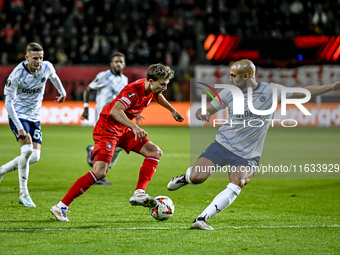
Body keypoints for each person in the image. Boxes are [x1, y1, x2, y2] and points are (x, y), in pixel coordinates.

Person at [167, 59, 340, 230]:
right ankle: (186, 178)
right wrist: (202, 113)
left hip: (248, 155)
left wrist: (331, 87)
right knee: (198, 178)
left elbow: (303, 92)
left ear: (246, 75)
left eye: (234, 76)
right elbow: (206, 109)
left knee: (237, 182)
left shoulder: (271, 91)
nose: (230, 79)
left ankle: (202, 218)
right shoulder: (229, 93)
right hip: (222, 145)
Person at [50, 63, 184, 222]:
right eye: (162, 84)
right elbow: (115, 111)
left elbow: (156, 95)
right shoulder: (133, 91)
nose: (164, 88)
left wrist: (172, 110)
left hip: (122, 129)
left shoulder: (151, 89)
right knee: (100, 172)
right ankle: (61, 206)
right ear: (150, 80)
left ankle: (139, 192)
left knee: (154, 152)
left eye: (166, 84)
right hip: (108, 128)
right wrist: (135, 127)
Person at [0, 42, 66, 207]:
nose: (38, 61)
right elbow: (8, 104)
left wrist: (63, 92)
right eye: (35, 58)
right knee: (27, 150)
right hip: (18, 116)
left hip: (35, 117)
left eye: (41, 58)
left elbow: (54, 76)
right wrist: (19, 127)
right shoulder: (16, 75)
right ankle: (24, 193)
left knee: (35, 157)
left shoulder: (46, 67)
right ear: (26, 57)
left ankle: (1, 170)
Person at [81, 52, 130, 185]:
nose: (118, 64)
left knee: (118, 146)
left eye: (121, 62)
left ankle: (95, 160)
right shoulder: (103, 76)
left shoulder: (125, 80)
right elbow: (88, 90)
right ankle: (99, 175)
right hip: (103, 118)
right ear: (111, 64)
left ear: (124, 64)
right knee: (111, 145)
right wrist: (86, 108)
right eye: (116, 61)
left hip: (117, 118)